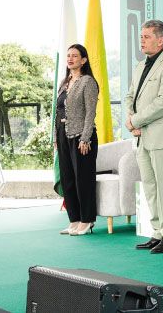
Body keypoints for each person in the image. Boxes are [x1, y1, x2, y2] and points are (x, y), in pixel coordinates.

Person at [124, 20, 163, 254]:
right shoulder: (140, 66)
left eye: (147, 36)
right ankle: (158, 232)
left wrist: (135, 121)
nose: (142, 41)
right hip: (142, 137)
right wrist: (130, 119)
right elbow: (130, 96)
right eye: (141, 36)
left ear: (161, 40)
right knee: (150, 186)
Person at [54, 44, 100, 236]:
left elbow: (90, 112)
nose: (70, 59)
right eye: (68, 56)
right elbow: (58, 111)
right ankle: (74, 220)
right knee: (68, 179)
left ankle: (87, 220)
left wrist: (85, 137)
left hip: (81, 137)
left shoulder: (87, 82)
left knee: (83, 180)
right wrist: (56, 138)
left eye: (75, 56)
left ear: (83, 60)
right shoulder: (64, 82)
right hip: (63, 136)